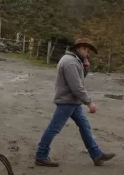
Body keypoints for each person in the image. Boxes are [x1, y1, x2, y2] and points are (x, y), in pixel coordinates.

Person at [34, 38, 115, 167]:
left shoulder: (74, 60)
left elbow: (79, 77)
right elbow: (76, 86)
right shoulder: (70, 62)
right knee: (54, 128)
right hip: (67, 101)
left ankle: (97, 155)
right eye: (86, 50)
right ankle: (41, 156)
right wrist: (89, 103)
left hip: (72, 101)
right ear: (79, 48)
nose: (88, 53)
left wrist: (86, 67)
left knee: (84, 126)